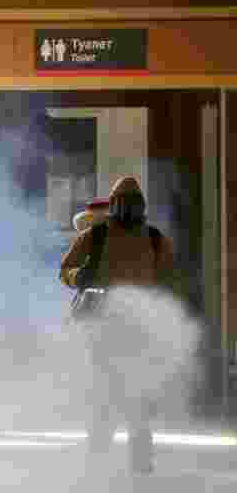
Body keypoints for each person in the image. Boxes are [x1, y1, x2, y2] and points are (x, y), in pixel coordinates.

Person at [60, 176, 175, 475]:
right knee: (103, 391)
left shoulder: (155, 239)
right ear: (113, 205)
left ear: (142, 206)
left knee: (138, 393)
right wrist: (77, 278)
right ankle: (97, 456)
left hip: (141, 328)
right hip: (101, 325)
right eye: (122, 203)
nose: (128, 209)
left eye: (133, 203)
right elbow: (65, 269)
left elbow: (170, 281)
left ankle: (140, 458)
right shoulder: (94, 236)